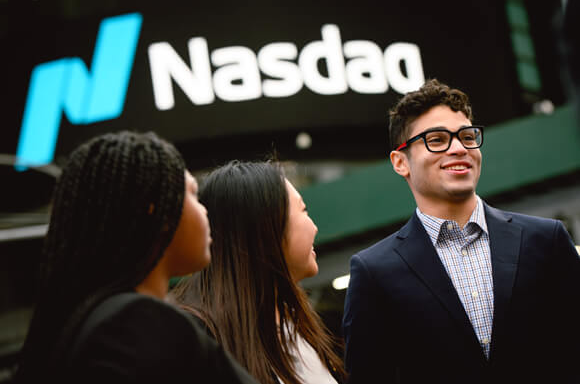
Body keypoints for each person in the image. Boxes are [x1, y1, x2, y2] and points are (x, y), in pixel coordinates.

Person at [342, 79, 580, 384]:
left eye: (467, 137)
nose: (459, 148)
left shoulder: (546, 240)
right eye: (437, 140)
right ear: (400, 162)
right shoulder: (373, 271)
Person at [14, 131, 259, 384]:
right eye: (193, 195)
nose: (205, 210)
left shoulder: (89, 325)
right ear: (158, 212)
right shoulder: (134, 324)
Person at [171, 160, 347, 384]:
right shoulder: (199, 339)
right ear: (267, 228)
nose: (314, 227)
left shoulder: (294, 325)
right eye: (303, 210)